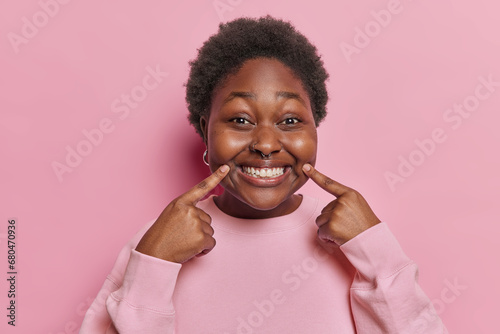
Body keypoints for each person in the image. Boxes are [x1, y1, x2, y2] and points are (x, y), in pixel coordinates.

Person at [80, 16, 447, 333]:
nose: (267, 144)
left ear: (314, 129)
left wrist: (377, 253)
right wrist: (152, 266)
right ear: (206, 130)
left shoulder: (359, 244)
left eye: (290, 120)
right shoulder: (157, 243)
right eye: (240, 120)